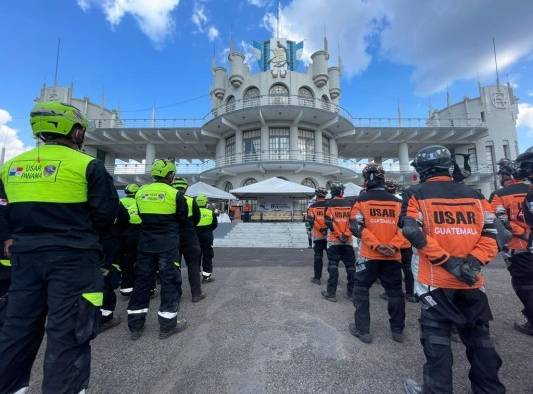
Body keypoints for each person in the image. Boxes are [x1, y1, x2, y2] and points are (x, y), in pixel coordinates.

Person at [0, 101, 118, 393]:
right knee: (69, 335)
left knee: (16, 331)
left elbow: (3, 210)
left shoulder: (11, 166)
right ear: (75, 132)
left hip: (25, 260)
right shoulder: (88, 165)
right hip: (73, 260)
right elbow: (107, 215)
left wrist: (12, 237)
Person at [401, 145, 505, 394]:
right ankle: (489, 390)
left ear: (423, 170)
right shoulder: (477, 195)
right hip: (473, 281)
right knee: (480, 341)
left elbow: (411, 231)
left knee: (437, 341)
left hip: (435, 282)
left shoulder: (416, 193)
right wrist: (473, 263)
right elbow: (496, 233)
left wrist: (448, 262)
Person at [127, 160, 189, 340]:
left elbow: (140, 214)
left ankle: (135, 326)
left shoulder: (140, 192)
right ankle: (167, 326)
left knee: (142, 283)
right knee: (169, 282)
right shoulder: (175, 194)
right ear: (170, 175)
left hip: (145, 244)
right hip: (168, 246)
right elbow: (182, 219)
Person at [349, 165, 408, 344]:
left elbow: (356, 227)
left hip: (369, 255)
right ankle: (397, 331)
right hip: (393, 255)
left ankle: (363, 330)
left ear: (368, 179)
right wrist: (392, 245)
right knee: (396, 293)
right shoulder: (398, 202)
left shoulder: (361, 200)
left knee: (361, 291)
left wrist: (376, 245)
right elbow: (407, 228)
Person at [382, 178, 417, 303]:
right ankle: (410, 293)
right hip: (406, 242)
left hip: (391, 242)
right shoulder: (403, 202)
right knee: (407, 269)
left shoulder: (384, 203)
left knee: (392, 269)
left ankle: (390, 292)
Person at [510, 148, 533, 335]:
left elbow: (498, 220)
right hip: (525, 246)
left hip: (521, 249)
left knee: (524, 283)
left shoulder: (502, 194)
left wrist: (523, 234)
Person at [171, 177, 206, 302]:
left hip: (173, 235)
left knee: (174, 266)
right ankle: (196, 294)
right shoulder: (191, 201)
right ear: (186, 188)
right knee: (193, 265)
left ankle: (175, 294)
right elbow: (197, 218)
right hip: (189, 235)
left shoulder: (170, 199)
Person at [98, 199, 129, 333]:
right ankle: (105, 318)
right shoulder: (111, 201)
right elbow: (125, 219)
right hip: (107, 246)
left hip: (81, 247)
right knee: (106, 280)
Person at [322, 183, 355, 302]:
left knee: (333, 266)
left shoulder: (328, 204)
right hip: (348, 240)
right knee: (351, 267)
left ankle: (331, 294)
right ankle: (351, 294)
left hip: (334, 241)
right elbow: (353, 222)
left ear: (332, 192)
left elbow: (328, 222)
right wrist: (345, 234)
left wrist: (338, 234)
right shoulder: (350, 204)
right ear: (342, 192)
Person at [118, 183, 142, 297]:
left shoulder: (120, 202)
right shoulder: (138, 203)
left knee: (126, 260)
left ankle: (125, 285)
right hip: (137, 233)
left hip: (121, 235)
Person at [307, 187, 329, 284]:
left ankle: (317, 278)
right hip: (330, 237)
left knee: (318, 257)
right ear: (325, 195)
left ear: (317, 195)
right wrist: (327, 230)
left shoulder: (312, 207)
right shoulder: (330, 206)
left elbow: (311, 221)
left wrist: (320, 229)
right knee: (332, 260)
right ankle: (332, 279)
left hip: (318, 236)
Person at [195, 193, 218, 283]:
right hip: (207, 237)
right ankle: (206, 276)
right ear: (205, 203)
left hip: (195, 237)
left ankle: (195, 275)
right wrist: (208, 230)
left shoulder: (193, 213)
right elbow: (215, 225)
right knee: (207, 255)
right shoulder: (210, 212)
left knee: (196, 256)